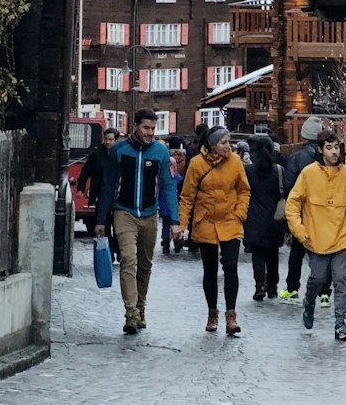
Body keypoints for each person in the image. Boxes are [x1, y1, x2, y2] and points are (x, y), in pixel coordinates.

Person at [96, 109, 179, 336]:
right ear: (135, 126)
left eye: (153, 128)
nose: (150, 133)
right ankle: (130, 312)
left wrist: (174, 220)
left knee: (145, 265)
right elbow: (108, 185)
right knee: (128, 260)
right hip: (124, 212)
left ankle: (141, 306)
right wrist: (101, 219)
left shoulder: (161, 152)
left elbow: (169, 186)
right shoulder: (119, 150)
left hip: (150, 214)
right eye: (146, 128)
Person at [285, 129, 346, 342]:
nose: (334, 152)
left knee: (341, 280)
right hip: (315, 237)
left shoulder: (345, 174)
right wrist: (300, 231)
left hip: (341, 237)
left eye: (336, 147)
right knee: (317, 279)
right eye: (329, 148)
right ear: (320, 150)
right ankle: (309, 304)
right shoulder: (309, 173)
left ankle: (340, 323)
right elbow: (292, 203)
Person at [179, 126, 250, 336]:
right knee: (210, 270)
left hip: (230, 220)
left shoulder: (235, 162)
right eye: (223, 143)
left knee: (230, 266)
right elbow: (187, 196)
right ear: (212, 145)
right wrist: (181, 223)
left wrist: (240, 212)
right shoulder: (196, 164)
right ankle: (212, 312)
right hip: (206, 221)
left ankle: (231, 314)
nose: (228, 146)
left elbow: (244, 190)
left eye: (229, 142)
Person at [279, 116, 330, 301]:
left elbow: (289, 186)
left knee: (297, 253)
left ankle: (292, 288)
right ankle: (325, 292)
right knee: (324, 252)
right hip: (324, 212)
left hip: (302, 213)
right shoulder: (327, 158)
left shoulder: (296, 159)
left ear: (304, 136)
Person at [243, 135, 286, 301]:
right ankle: (273, 286)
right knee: (272, 254)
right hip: (274, 218)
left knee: (257, 254)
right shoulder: (279, 171)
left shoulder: (249, 171)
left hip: (254, 218)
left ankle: (260, 284)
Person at [76, 127, 119, 260]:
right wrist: (81, 188)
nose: (108, 142)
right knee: (104, 225)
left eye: (111, 139)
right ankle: (109, 254)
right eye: (106, 139)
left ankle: (120, 251)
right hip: (100, 192)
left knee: (118, 226)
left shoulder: (120, 153)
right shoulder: (97, 153)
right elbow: (86, 171)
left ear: (115, 140)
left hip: (117, 195)